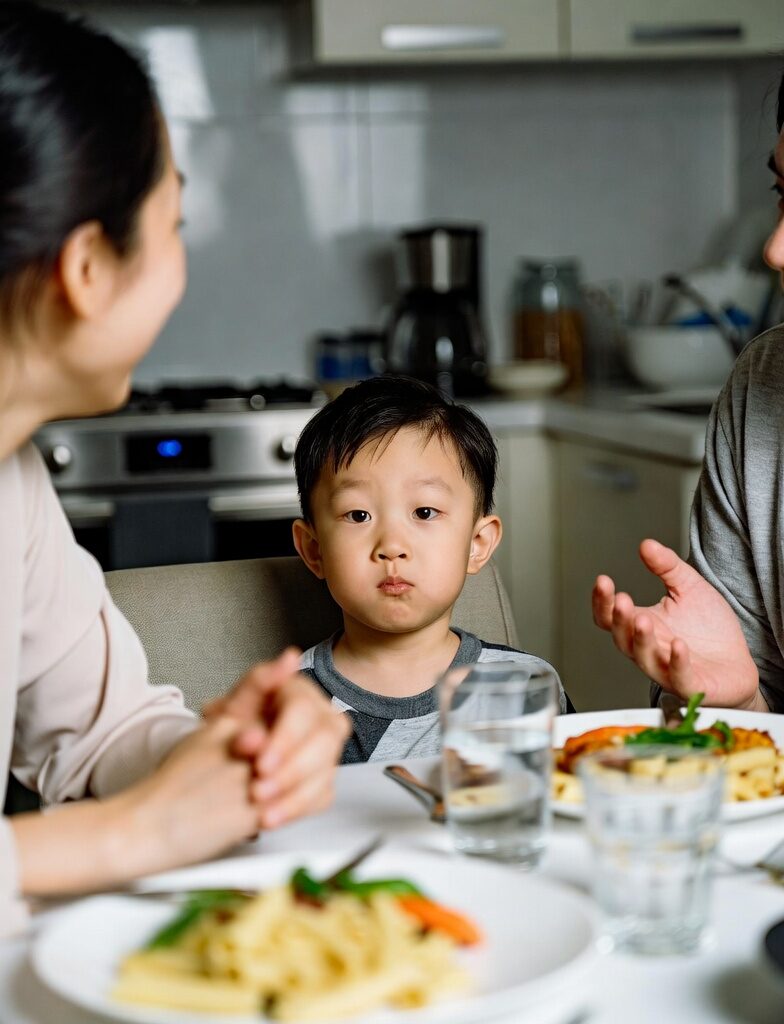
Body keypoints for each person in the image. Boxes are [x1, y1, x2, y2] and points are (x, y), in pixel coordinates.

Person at [0, 3, 349, 936]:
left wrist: (225, 758)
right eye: (175, 224)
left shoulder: (12, 476)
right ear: (86, 270)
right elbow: (123, 820)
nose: (183, 262)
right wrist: (132, 835)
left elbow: (102, 732)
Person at [591, 72, 784, 714]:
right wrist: (738, 701)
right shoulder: (761, 385)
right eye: (783, 195)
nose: (774, 250)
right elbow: (752, 752)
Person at [290, 374, 568, 763]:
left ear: (477, 545)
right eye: (358, 514)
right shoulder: (287, 707)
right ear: (314, 550)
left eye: (424, 512)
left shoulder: (525, 687)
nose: (392, 547)